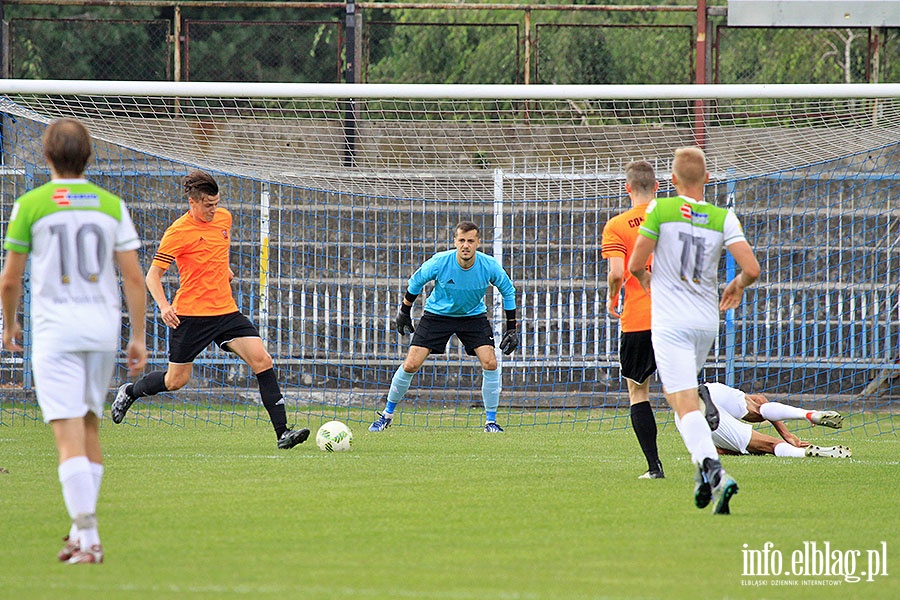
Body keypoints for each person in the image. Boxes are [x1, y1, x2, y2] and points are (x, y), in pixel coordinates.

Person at [0, 118, 148, 564]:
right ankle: (78, 531)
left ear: (46, 157)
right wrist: (137, 336)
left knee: (67, 439)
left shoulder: (30, 204)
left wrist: (9, 324)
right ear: (89, 157)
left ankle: (89, 537)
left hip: (56, 332)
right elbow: (134, 277)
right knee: (88, 430)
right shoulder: (110, 204)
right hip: (101, 331)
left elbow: (10, 279)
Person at [110, 170, 309, 449]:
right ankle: (130, 391)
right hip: (190, 316)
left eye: (216, 204)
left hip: (226, 312)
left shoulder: (224, 218)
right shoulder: (177, 232)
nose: (214, 210)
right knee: (176, 380)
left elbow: (217, 251)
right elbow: (152, 276)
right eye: (208, 205)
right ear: (193, 202)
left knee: (262, 360)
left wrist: (224, 270)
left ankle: (283, 433)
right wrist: (165, 307)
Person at [629, 146, 761, 515]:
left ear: (671, 181)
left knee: (682, 402)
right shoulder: (723, 217)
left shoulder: (661, 209)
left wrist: (648, 280)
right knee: (684, 400)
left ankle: (714, 470)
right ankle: (704, 471)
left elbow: (637, 263)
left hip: (671, 321)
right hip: (706, 321)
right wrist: (736, 286)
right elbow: (751, 269)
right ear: (706, 179)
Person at [369, 221, 518, 433]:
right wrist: (404, 311)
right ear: (455, 242)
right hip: (437, 315)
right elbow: (415, 282)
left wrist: (512, 327)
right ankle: (386, 416)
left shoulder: (489, 265)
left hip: (473, 316)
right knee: (411, 364)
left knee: (490, 362)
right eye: (461, 240)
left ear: (478, 243)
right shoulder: (440, 261)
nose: (465, 245)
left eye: (470, 241)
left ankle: (491, 422)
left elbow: (508, 291)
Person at [601, 160, 665, 479]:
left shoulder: (617, 225)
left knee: (639, 392)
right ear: (657, 186)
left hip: (639, 318)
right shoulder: (676, 219)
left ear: (627, 188)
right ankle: (703, 395)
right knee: (683, 384)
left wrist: (613, 298)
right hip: (677, 315)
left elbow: (616, 273)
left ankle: (655, 467)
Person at [698, 382, 850, 458]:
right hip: (711, 389)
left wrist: (753, 448)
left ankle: (803, 453)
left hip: (694, 408)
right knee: (759, 411)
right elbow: (761, 399)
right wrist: (787, 435)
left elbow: (720, 450)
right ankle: (808, 414)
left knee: (771, 446)